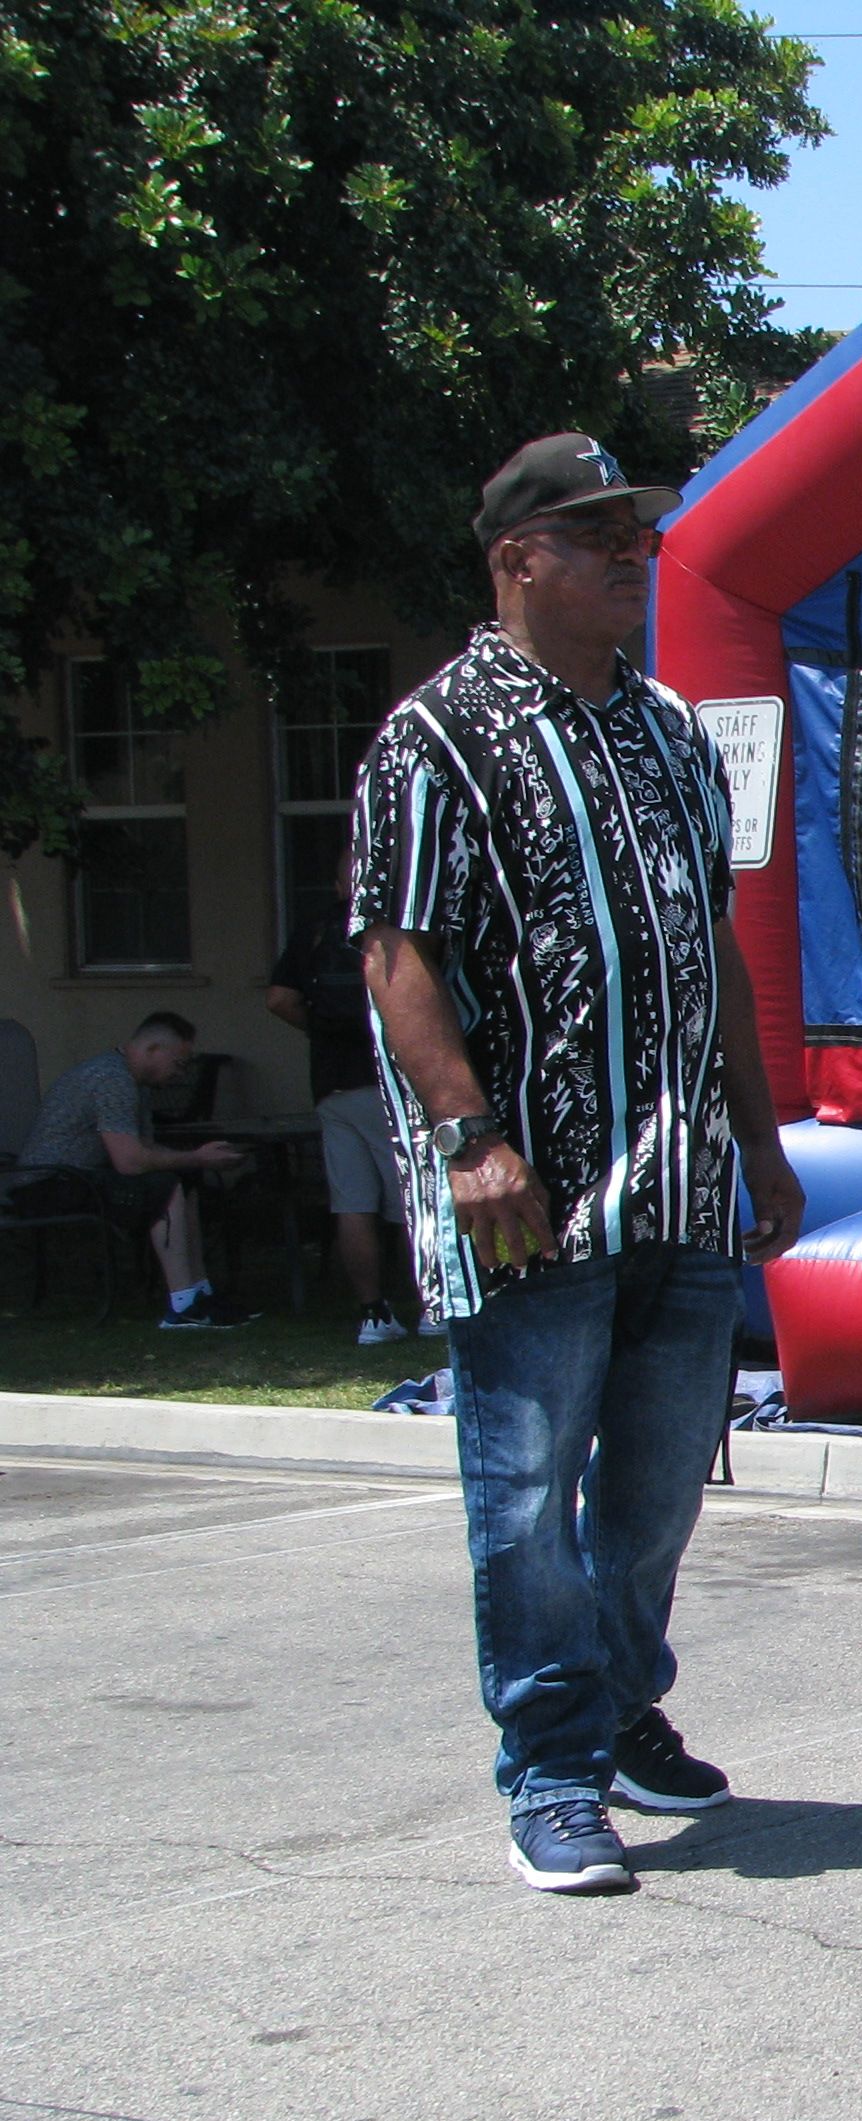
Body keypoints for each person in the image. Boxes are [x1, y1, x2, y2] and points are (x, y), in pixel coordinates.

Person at [352, 431, 806, 1898]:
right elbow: (397, 954)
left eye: (641, 533)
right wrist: (469, 1141)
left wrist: (760, 1138)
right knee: (528, 1494)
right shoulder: (437, 738)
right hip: (527, 1198)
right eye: (598, 532)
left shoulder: (670, 729)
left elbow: (712, 948)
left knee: (661, 1488)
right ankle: (550, 1770)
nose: (632, 555)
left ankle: (619, 1707)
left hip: (677, 1181)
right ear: (516, 559)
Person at [268, 839, 416, 1344]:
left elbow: (279, 999)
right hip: (388, 1079)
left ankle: (373, 1314)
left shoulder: (314, 929)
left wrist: (321, 1031)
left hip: (332, 1081)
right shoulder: (393, 928)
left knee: (352, 1203)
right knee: (409, 1200)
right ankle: (431, 1306)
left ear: (337, 885)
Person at [17, 1014, 252, 1328]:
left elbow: (146, 1149)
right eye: (179, 1063)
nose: (180, 1073)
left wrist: (196, 1161)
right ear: (152, 1049)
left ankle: (200, 1292)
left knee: (186, 1179)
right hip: (46, 1184)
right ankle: (182, 1305)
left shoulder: (134, 1083)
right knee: (163, 1188)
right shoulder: (112, 1079)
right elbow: (129, 1161)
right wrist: (197, 1156)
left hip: (75, 1178)